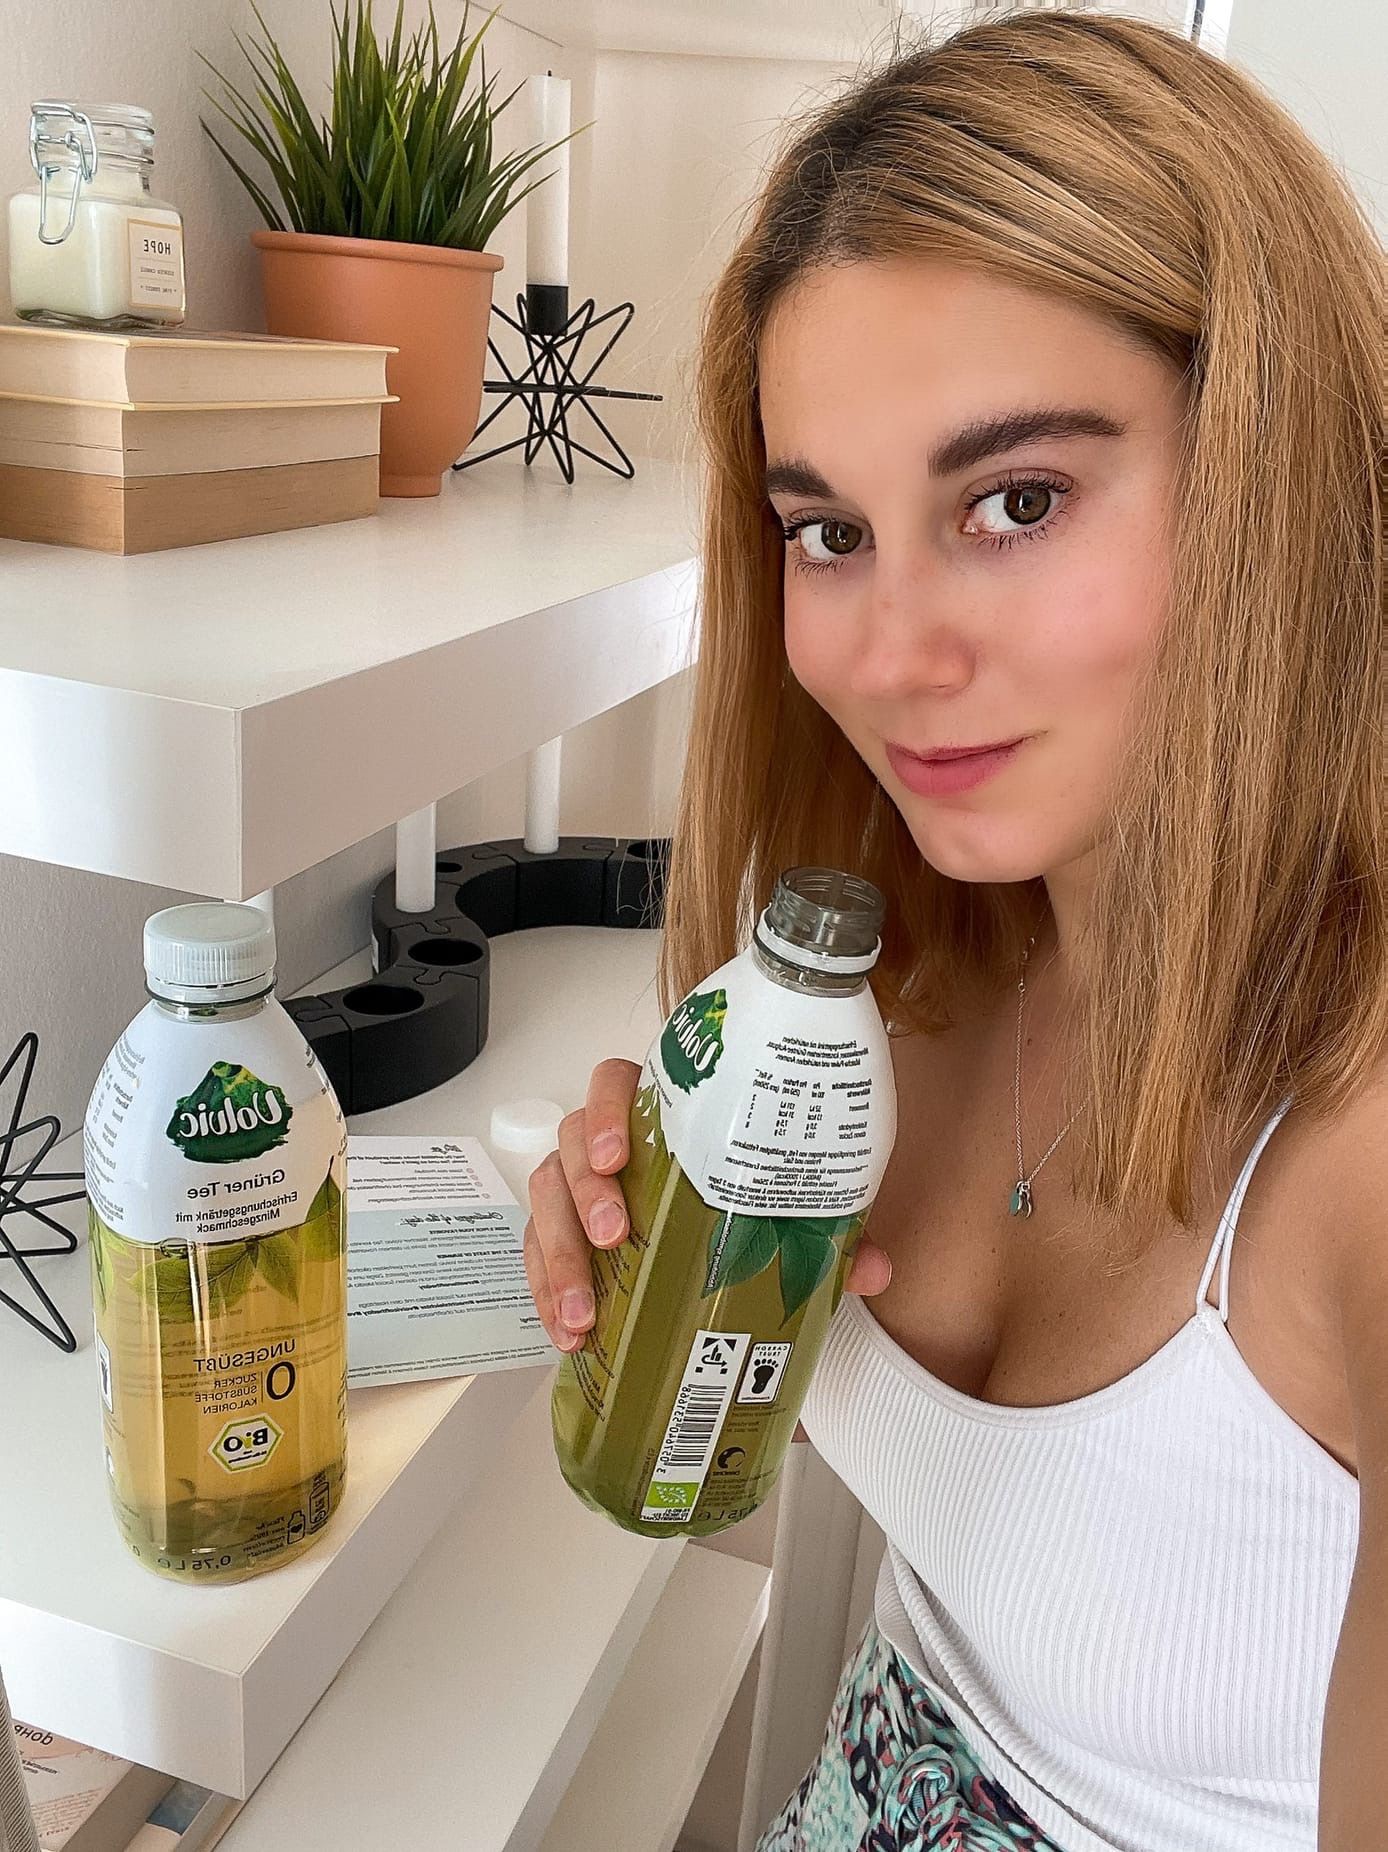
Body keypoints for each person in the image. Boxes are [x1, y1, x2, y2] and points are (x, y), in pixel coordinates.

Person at [522, 13, 1385, 1850]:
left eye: (1016, 502)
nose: (892, 659)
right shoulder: (919, 967)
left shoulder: (1361, 1151)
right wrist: (668, 1297)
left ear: (1279, 474)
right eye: (827, 533)